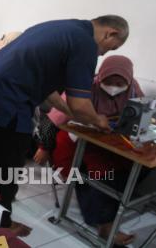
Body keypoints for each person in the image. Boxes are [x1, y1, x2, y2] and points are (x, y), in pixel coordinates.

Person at [0, 15, 129, 236]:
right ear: (111, 33)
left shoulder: (62, 28)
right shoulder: (85, 43)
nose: (102, 54)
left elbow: (49, 89)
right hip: (7, 102)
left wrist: (71, 113)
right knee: (6, 171)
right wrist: (98, 121)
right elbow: (80, 104)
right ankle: (1, 227)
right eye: (109, 49)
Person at [44, 55, 143, 246]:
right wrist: (44, 147)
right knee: (98, 173)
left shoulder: (132, 90)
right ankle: (104, 224)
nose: (114, 86)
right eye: (109, 81)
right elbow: (51, 121)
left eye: (119, 82)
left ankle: (111, 207)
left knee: (134, 167)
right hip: (73, 141)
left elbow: (138, 115)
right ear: (101, 76)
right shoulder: (84, 88)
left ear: (128, 80)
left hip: (107, 141)